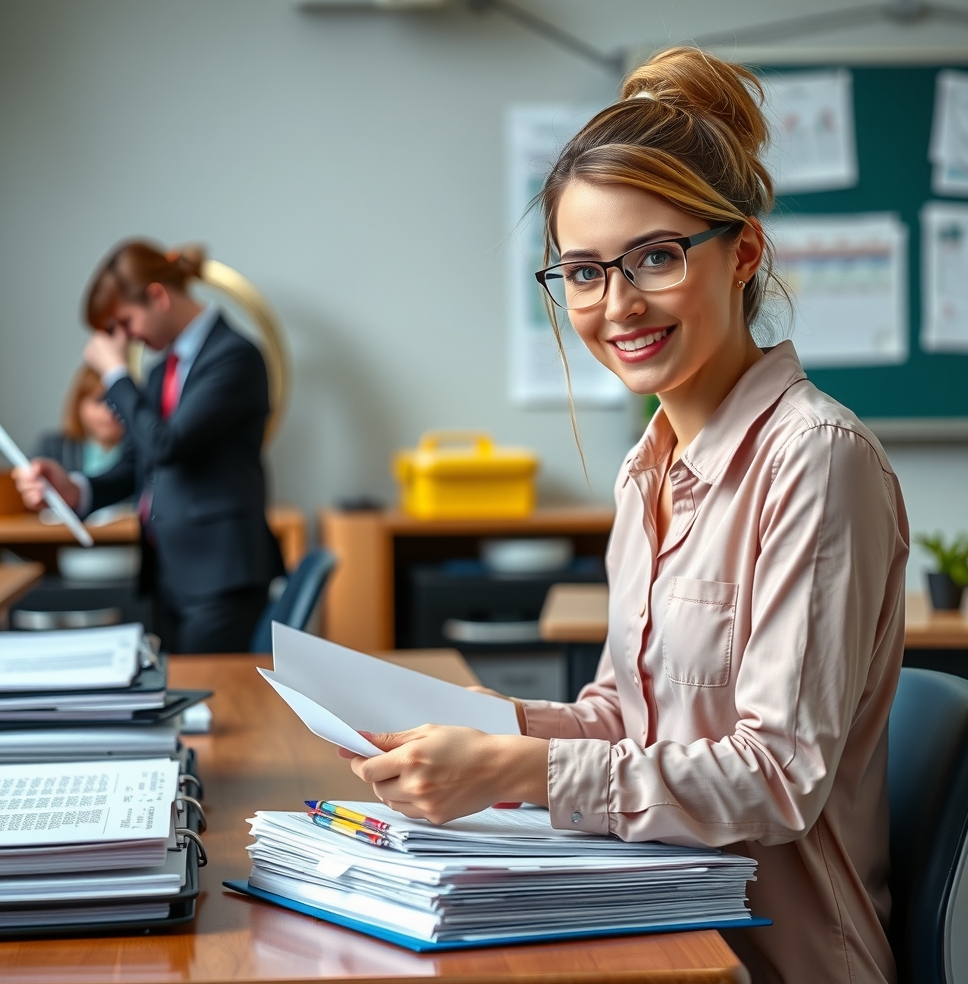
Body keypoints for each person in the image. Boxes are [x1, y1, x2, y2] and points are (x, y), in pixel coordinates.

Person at [341, 48, 909, 984]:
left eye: (656, 257)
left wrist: (516, 771)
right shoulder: (647, 468)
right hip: (653, 916)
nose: (617, 305)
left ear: (744, 253)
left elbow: (777, 777)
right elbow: (625, 713)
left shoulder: (816, 460)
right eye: (583, 272)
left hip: (771, 958)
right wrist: (509, 726)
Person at [14, 240, 285, 653]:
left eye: (126, 321)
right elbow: (136, 465)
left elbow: (166, 445)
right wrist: (74, 488)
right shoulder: (161, 374)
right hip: (167, 574)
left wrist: (115, 374)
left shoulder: (236, 357)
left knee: (205, 690)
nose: (127, 338)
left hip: (220, 577)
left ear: (157, 297)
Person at [34, 366, 127, 478]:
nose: (110, 411)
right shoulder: (53, 448)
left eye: (118, 401)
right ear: (79, 403)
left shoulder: (140, 455)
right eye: (99, 400)